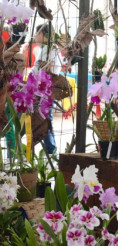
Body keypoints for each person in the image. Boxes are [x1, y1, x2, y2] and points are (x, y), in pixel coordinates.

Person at [32, 23, 62, 155]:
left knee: (45, 121)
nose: (34, 36)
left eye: (37, 33)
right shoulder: (47, 49)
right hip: (41, 90)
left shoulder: (51, 50)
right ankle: (51, 153)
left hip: (44, 91)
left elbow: (46, 71)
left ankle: (52, 153)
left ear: (44, 35)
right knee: (44, 121)